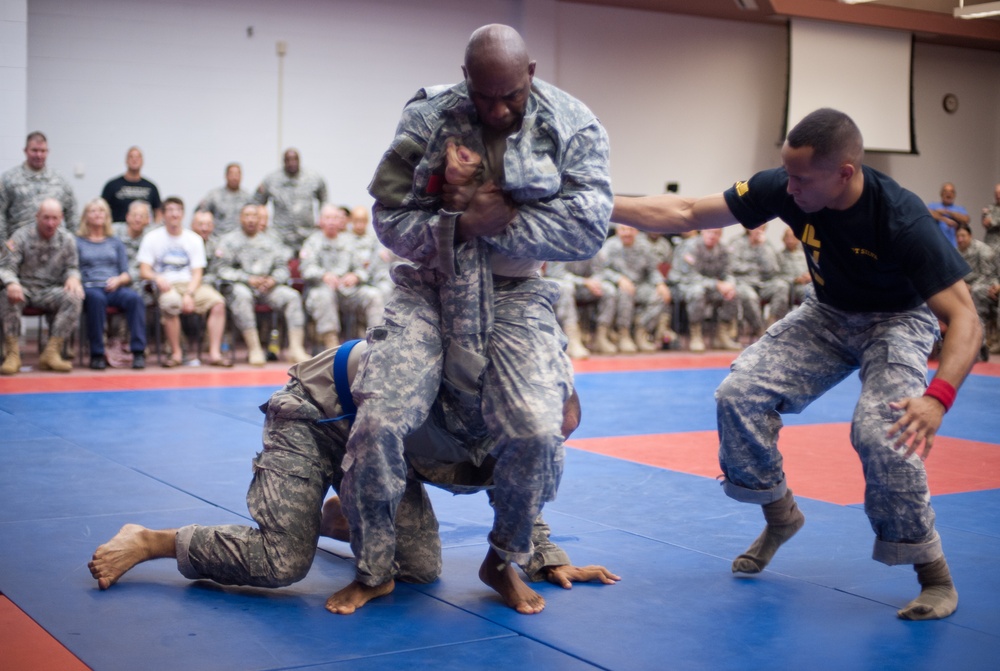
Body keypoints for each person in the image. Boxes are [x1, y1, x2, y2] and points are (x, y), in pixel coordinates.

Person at [612, 108, 981, 621]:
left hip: (897, 320)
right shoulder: (787, 187)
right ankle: (781, 515)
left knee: (883, 433)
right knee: (738, 396)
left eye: (802, 178)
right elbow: (687, 213)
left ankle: (933, 573)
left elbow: (965, 317)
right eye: (787, 173)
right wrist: (602, 204)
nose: (790, 187)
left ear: (844, 173)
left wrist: (938, 399)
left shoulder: (901, 217)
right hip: (827, 313)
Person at [331, 24, 612, 615]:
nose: (498, 108)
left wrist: (496, 220)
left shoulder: (572, 125)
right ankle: (375, 565)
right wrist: (457, 226)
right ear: (467, 81)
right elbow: (388, 220)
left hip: (516, 293)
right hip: (430, 290)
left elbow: (587, 228)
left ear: (531, 73)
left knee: (538, 430)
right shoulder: (429, 118)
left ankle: (504, 557)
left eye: (510, 95)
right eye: (485, 96)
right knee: (380, 419)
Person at [88, 340, 620, 610]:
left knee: (421, 568)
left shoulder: (525, 418)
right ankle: (151, 541)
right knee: (282, 562)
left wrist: (542, 557)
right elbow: (375, 455)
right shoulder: (443, 386)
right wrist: (370, 574)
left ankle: (337, 516)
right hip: (318, 415)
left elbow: (520, 482)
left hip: (391, 443)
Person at [136, 196, 230, 367]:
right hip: (166, 285)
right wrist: (156, 277)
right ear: (163, 214)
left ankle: (215, 354)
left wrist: (189, 294)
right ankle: (176, 353)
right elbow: (144, 270)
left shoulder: (193, 238)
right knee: (171, 302)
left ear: (183, 214)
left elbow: (197, 272)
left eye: (178, 210)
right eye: (170, 210)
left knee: (218, 303)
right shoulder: (152, 237)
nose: (174, 214)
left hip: (190, 284)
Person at [216, 203, 309, 365]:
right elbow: (222, 270)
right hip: (243, 287)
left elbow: (282, 268)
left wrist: (273, 279)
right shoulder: (229, 241)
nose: (251, 220)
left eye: (254, 216)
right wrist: (247, 278)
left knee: (292, 297)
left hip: (269, 288)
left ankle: (296, 348)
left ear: (260, 219)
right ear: (240, 218)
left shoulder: (272, 241)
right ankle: (255, 348)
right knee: (241, 295)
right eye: (247, 216)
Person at [0, 198, 83, 375]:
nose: (50, 223)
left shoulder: (67, 239)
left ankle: (51, 353)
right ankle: (12, 354)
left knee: (75, 296)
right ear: (37, 216)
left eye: (55, 218)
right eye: (46, 218)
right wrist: (12, 282)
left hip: (50, 290)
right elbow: (5, 266)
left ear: (61, 218)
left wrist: (73, 278)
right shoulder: (20, 236)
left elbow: (72, 266)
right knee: (5, 294)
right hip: (24, 289)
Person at [75, 198, 146, 370]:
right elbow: (73, 268)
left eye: (101, 211)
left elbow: (126, 272)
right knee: (96, 299)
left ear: (107, 216)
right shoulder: (77, 241)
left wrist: (120, 280)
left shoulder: (115, 242)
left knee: (134, 298)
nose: (98, 214)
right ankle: (97, 354)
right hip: (90, 288)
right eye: (93, 211)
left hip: (114, 287)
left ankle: (138, 352)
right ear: (85, 217)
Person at [600, 223, 671, 353]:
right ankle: (624, 334)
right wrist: (619, 279)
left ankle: (641, 332)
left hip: (640, 285)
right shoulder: (609, 246)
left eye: (630, 229)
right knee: (625, 292)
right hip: (617, 287)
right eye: (623, 230)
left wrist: (660, 284)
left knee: (660, 296)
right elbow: (601, 270)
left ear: (636, 231)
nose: (627, 233)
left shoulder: (644, 246)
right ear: (617, 231)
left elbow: (652, 270)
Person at [667, 228, 741, 352]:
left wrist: (729, 285)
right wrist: (717, 284)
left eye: (716, 233)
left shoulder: (722, 249)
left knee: (733, 293)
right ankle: (696, 335)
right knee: (697, 292)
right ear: (702, 232)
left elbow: (728, 272)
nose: (712, 236)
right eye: (709, 232)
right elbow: (691, 276)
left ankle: (721, 336)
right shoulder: (690, 246)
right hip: (684, 285)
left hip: (708, 286)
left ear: (720, 235)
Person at [0, 131, 77, 241]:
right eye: (34, 150)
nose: (39, 155)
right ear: (25, 151)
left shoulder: (60, 180)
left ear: (48, 152)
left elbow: (72, 214)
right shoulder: (9, 179)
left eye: (42, 151)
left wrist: (73, 243)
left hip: (53, 248)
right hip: (19, 248)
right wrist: (3, 246)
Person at [254, 149, 328, 253]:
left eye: (295, 159)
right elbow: (257, 203)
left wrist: (322, 220)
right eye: (288, 160)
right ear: (283, 161)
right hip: (280, 236)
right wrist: (262, 221)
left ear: (299, 160)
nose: (292, 163)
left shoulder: (313, 178)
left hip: (307, 234)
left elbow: (325, 201)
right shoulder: (271, 179)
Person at [728, 223, 791, 339]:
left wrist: (763, 247)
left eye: (761, 228)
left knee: (782, 286)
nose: (758, 230)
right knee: (749, 296)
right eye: (756, 227)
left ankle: (772, 326)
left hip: (764, 283)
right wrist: (753, 267)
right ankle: (759, 329)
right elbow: (732, 265)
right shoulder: (736, 243)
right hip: (744, 282)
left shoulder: (767, 245)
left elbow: (772, 269)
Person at [955, 222, 999, 359]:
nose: (960, 239)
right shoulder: (956, 252)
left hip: (986, 285)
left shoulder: (982, 250)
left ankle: (980, 344)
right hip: (967, 286)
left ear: (970, 236)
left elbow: (988, 275)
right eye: (958, 236)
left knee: (976, 293)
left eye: (963, 235)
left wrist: (971, 287)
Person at [101, 147, 163, 224]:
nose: (134, 160)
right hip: (117, 230)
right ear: (126, 160)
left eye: (137, 157)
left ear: (142, 161)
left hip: (144, 231)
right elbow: (102, 209)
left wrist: (154, 229)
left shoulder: (151, 187)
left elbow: (158, 212)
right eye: (131, 157)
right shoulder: (112, 185)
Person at [197, 163, 254, 236]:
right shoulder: (214, 195)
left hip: (240, 240)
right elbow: (200, 214)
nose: (234, 178)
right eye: (232, 174)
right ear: (226, 176)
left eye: (237, 174)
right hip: (218, 238)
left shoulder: (247, 197)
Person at [777, 225, 812, 310]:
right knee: (806, 293)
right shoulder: (778, 256)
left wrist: (810, 276)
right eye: (787, 237)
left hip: (807, 284)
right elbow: (776, 276)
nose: (790, 241)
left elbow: (813, 270)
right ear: (783, 239)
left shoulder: (805, 255)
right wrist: (796, 279)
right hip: (791, 287)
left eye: (792, 237)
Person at [926, 182, 969, 248]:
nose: (948, 193)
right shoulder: (933, 206)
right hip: (937, 245)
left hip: (954, 247)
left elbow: (966, 219)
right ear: (941, 194)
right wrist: (944, 219)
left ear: (954, 195)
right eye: (945, 191)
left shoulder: (959, 209)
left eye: (951, 191)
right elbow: (927, 213)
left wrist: (949, 213)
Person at [981, 182, 1000, 254]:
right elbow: (986, 222)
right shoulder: (989, 207)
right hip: (990, 244)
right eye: (996, 193)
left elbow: (990, 221)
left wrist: (992, 221)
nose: (998, 195)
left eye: (999, 193)